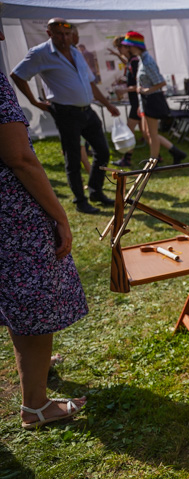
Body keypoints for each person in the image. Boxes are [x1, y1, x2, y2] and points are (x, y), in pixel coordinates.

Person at [0, 26, 89, 429]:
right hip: (13, 215)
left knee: (18, 299)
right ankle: (35, 404)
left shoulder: (76, 53)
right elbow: (20, 156)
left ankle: (35, 374)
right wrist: (59, 214)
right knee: (34, 299)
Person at [10, 18, 119, 214]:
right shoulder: (40, 53)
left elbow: (91, 83)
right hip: (66, 112)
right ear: (49, 33)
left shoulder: (76, 52)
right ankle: (80, 200)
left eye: (67, 34)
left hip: (87, 110)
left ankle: (95, 191)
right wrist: (35, 102)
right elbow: (18, 75)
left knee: (102, 151)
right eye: (59, 33)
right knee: (73, 157)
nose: (64, 37)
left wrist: (108, 104)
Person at [121, 32, 186, 165]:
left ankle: (153, 162)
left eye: (129, 46)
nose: (128, 49)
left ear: (136, 46)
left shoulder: (147, 62)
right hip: (145, 102)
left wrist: (146, 90)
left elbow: (161, 82)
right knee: (146, 133)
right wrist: (140, 102)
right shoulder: (142, 60)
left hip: (151, 101)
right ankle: (176, 152)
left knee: (152, 134)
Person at [108, 35, 141, 167]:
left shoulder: (134, 62)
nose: (119, 49)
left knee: (130, 130)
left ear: (127, 47)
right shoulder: (131, 61)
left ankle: (126, 159)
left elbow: (140, 84)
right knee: (148, 133)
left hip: (139, 103)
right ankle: (172, 152)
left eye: (119, 47)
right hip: (136, 102)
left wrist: (125, 90)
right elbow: (125, 61)